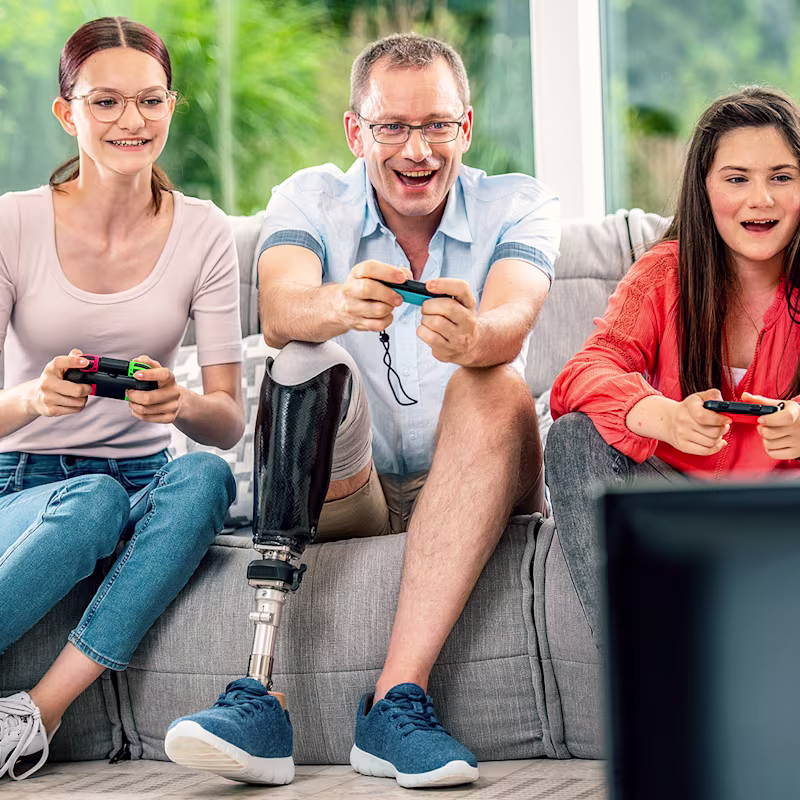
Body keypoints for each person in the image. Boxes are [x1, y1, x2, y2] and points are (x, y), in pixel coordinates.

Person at [166, 32, 559, 789]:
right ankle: (255, 694)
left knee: (495, 377)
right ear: (357, 132)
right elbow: (280, 308)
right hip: (361, 491)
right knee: (304, 357)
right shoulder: (309, 198)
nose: (418, 150)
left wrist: (476, 334)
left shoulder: (520, 202)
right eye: (393, 128)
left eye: (437, 125)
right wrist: (338, 303)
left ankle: (394, 703)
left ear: (465, 128)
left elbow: (516, 312)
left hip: (480, 477)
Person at [0, 17, 244, 781]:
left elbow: (228, 419)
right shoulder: (13, 222)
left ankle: (35, 713)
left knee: (206, 476)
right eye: (105, 102)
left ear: (172, 107)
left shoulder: (205, 232)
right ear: (67, 112)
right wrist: (36, 397)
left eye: (149, 101)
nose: (131, 121)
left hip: (142, 479)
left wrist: (180, 403)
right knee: (92, 504)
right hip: (26, 484)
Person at [545, 86, 800, 652]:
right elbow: (583, 373)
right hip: (674, 503)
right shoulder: (664, 272)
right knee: (571, 440)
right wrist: (655, 413)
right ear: (704, 188)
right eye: (737, 179)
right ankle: (652, 680)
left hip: (784, 510)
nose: (761, 199)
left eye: (782, 177)